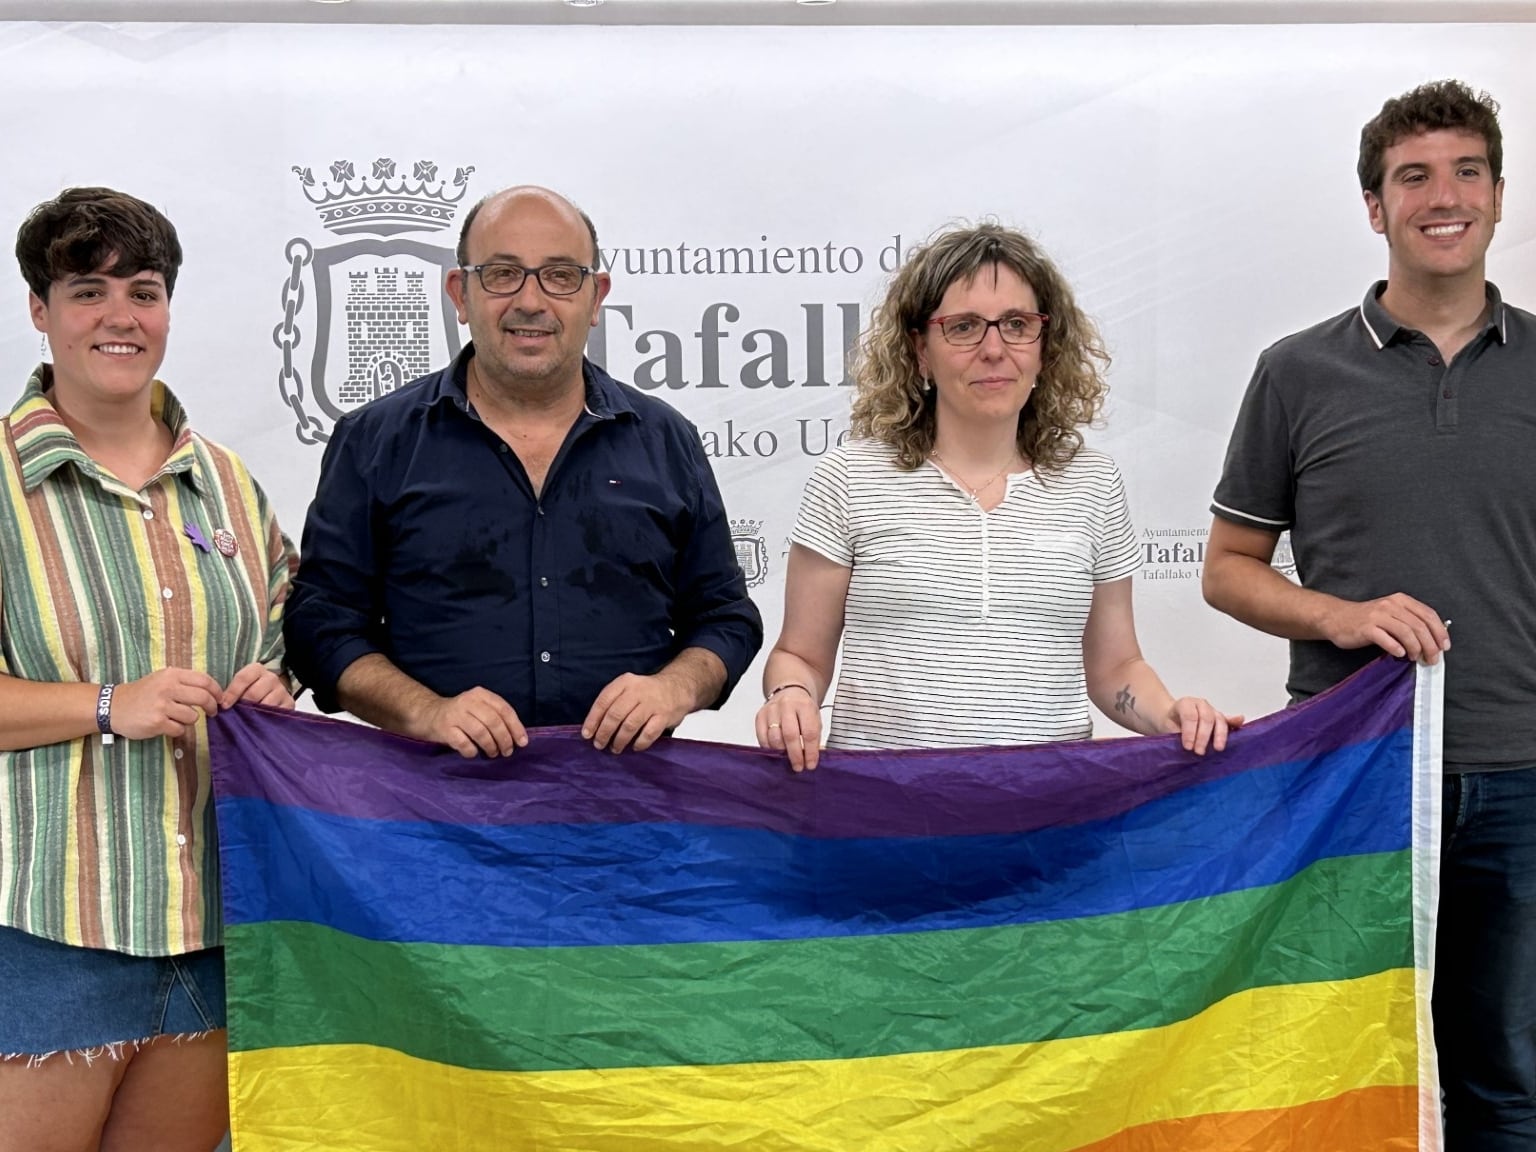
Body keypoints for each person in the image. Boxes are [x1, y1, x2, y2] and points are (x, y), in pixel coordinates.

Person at [1203, 80, 1533, 1150]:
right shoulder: (1297, 372)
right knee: (1338, 1067)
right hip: (1354, 777)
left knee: (1508, 1075)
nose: (1446, 197)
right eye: (1415, 177)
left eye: (1467, 171)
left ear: (1496, 191)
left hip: (1523, 775)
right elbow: (1228, 568)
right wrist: (1340, 616)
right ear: (1375, 206)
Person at [0, 188, 297, 1152]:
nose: (120, 315)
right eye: (88, 290)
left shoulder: (228, 482)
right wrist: (104, 705)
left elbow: (291, 628)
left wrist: (274, 684)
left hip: (215, 924)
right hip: (47, 928)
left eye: (144, 289)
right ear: (40, 311)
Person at [284, 186, 762, 757]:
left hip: (628, 816)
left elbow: (726, 617)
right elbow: (321, 625)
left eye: (560, 276)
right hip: (431, 815)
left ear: (595, 295)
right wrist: (426, 711)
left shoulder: (666, 440)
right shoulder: (373, 442)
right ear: (459, 294)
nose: (530, 301)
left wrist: (673, 688)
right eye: (502, 274)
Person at [756, 223, 1237, 770]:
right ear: (920, 351)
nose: (994, 349)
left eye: (1016, 324)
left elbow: (1116, 669)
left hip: (1047, 821)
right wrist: (790, 694)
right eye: (963, 327)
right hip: (884, 825)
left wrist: (1171, 715)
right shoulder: (849, 477)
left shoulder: (1095, 485)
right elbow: (799, 655)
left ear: (1044, 346)